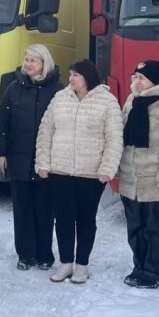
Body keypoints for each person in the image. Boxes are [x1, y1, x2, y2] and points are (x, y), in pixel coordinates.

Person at [35, 59, 123, 284]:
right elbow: (45, 132)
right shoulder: (60, 98)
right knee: (63, 219)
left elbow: (114, 138)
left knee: (85, 220)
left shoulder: (107, 101)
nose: (71, 78)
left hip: (90, 174)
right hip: (60, 171)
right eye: (70, 74)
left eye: (76, 75)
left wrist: (107, 168)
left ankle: (82, 265)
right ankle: (65, 263)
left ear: (88, 77)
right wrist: (43, 162)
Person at [0, 44, 64, 271]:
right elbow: (2, 122)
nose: (28, 64)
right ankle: (24, 254)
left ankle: (44, 254)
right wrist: (1, 152)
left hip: (46, 161)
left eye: (33, 60)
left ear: (45, 63)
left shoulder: (58, 89)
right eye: (26, 60)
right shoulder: (13, 88)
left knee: (44, 209)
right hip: (18, 159)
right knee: (22, 209)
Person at [117, 60, 159, 289]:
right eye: (135, 77)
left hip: (154, 178)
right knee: (134, 227)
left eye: (141, 78)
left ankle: (153, 271)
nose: (137, 81)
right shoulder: (132, 100)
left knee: (152, 228)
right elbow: (122, 136)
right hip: (130, 176)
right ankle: (139, 266)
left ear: (153, 80)